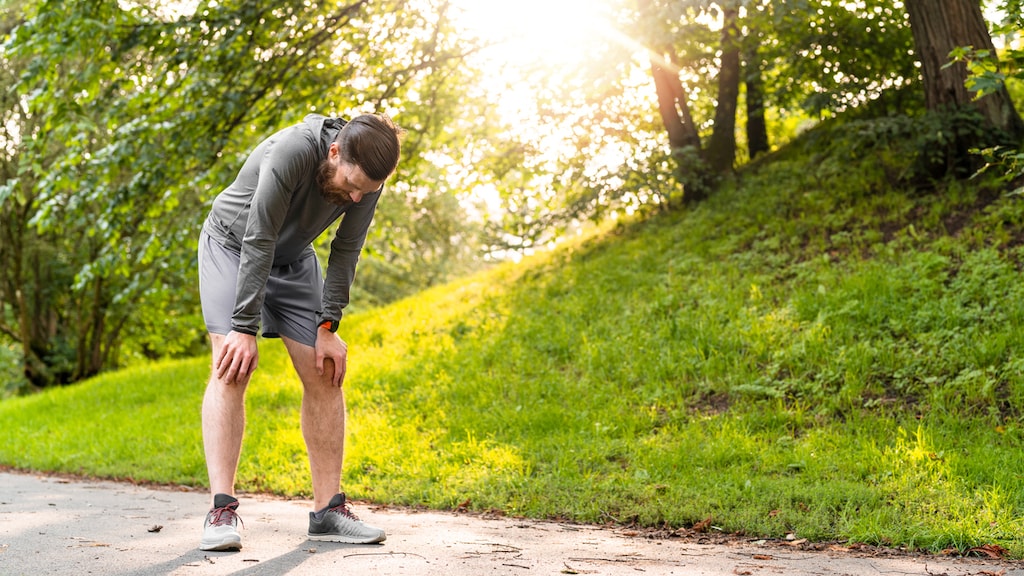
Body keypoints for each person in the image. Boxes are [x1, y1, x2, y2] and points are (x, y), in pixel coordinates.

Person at [196, 113, 404, 552]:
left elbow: (346, 249)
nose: (354, 196)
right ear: (334, 152)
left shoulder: (367, 178)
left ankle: (328, 510)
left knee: (325, 367)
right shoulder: (291, 151)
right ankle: (221, 510)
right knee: (232, 367)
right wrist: (243, 327)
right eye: (352, 185)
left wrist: (329, 324)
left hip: (291, 258)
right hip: (233, 245)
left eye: (364, 191)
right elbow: (259, 235)